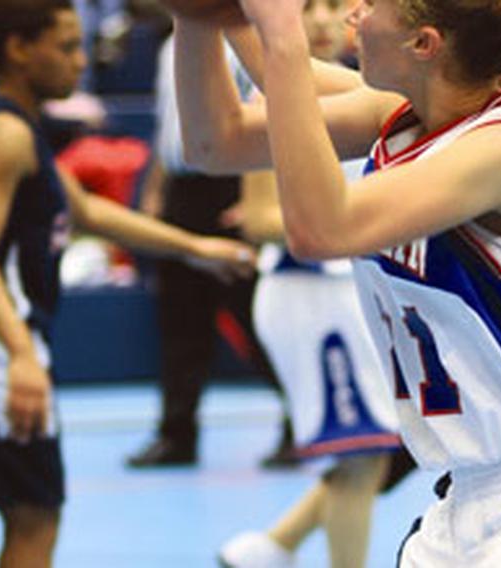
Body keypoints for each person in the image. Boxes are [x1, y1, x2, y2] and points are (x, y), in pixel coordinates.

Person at [171, 0, 501, 565]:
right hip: (466, 496)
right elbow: (217, 141)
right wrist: (199, 17)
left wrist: (281, 31)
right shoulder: (400, 113)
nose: (355, 11)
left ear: (424, 44)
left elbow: (322, 229)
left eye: (373, 4)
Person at [0, 1, 254, 566]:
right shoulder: (6, 135)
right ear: (21, 50)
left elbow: (89, 212)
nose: (80, 61)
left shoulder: (13, 124)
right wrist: (21, 352)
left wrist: (196, 249)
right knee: (33, 513)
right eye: (67, 46)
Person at [216, 2, 404, 566]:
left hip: (361, 294)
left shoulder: (370, 91)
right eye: (309, 7)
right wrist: (356, 220)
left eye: (332, 6)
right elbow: (258, 218)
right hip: (312, 296)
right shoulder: (270, 98)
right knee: (361, 458)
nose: (323, 19)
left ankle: (272, 547)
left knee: (386, 452)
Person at [126, 26, 289, 469]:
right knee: (178, 318)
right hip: (183, 187)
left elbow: (265, 117)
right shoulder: (169, 46)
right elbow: (170, 126)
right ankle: (177, 433)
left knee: (252, 312)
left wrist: (253, 196)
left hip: (232, 187)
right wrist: (157, 190)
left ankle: (301, 420)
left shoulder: (243, 41)